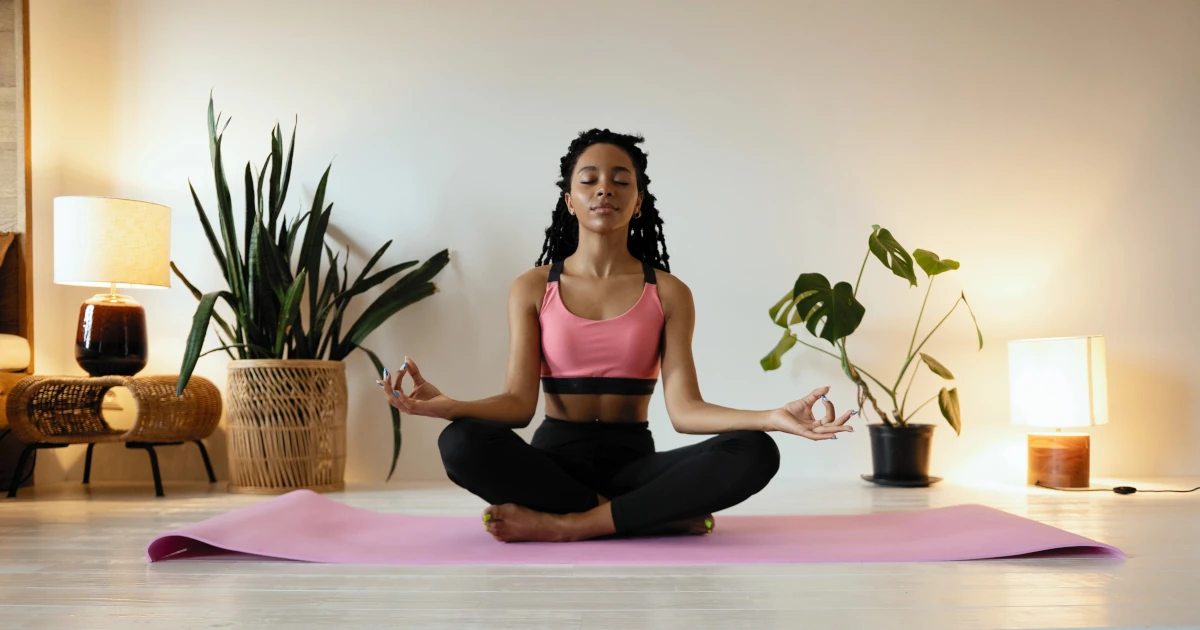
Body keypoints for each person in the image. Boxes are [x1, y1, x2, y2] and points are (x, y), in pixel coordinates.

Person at [379, 129, 855, 543]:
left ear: (638, 200)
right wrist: (448, 405)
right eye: (588, 180)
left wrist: (771, 416)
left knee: (754, 451)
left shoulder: (668, 292)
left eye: (620, 180)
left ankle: (569, 525)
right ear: (569, 199)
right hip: (554, 464)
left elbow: (686, 411)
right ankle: (647, 518)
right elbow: (518, 406)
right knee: (460, 443)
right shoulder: (532, 287)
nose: (603, 189)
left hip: (635, 465)